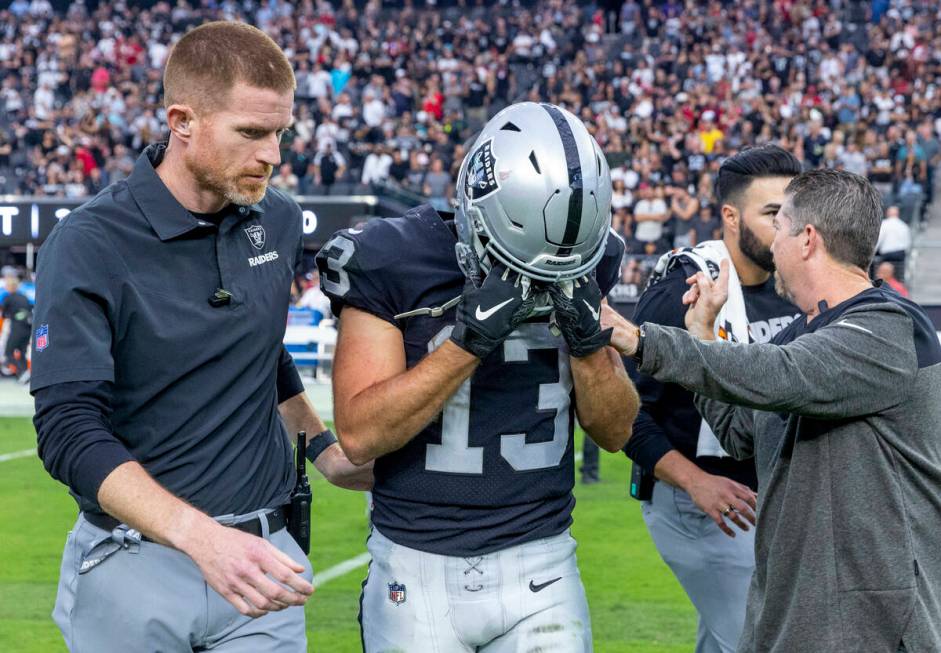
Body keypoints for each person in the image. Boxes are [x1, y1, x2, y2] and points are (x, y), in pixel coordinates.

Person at [30, 22, 371, 653]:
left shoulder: (280, 216)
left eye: (280, 133)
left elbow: (261, 355)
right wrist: (201, 538)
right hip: (134, 566)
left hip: (263, 569)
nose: (272, 154)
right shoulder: (88, 243)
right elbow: (67, 430)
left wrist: (323, 448)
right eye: (251, 132)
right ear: (182, 121)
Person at [317, 102, 639, 652]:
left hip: (544, 560)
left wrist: (590, 347)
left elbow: (615, 433)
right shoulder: (393, 259)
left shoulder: (584, 256)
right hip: (415, 564)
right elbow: (361, 434)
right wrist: (468, 341)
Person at [604, 169, 941, 653]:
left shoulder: (890, 328)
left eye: (779, 225)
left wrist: (638, 339)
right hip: (797, 608)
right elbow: (739, 431)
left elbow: (782, 372)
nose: (770, 243)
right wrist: (701, 333)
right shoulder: (808, 330)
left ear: (807, 239)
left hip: (875, 622)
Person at [622, 144, 803, 653]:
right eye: (773, 214)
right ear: (730, 215)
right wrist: (695, 482)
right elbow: (620, 414)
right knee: (764, 641)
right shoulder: (680, 290)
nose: (787, 228)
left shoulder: (794, 283)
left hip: (767, 497)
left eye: (794, 214)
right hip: (704, 503)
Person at [1, 273, 31, 380]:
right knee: (22, 352)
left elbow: (4, 314)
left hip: (17, 328)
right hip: (28, 328)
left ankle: (22, 373)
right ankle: (25, 375)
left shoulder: (8, 298)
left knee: (8, 353)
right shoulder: (24, 297)